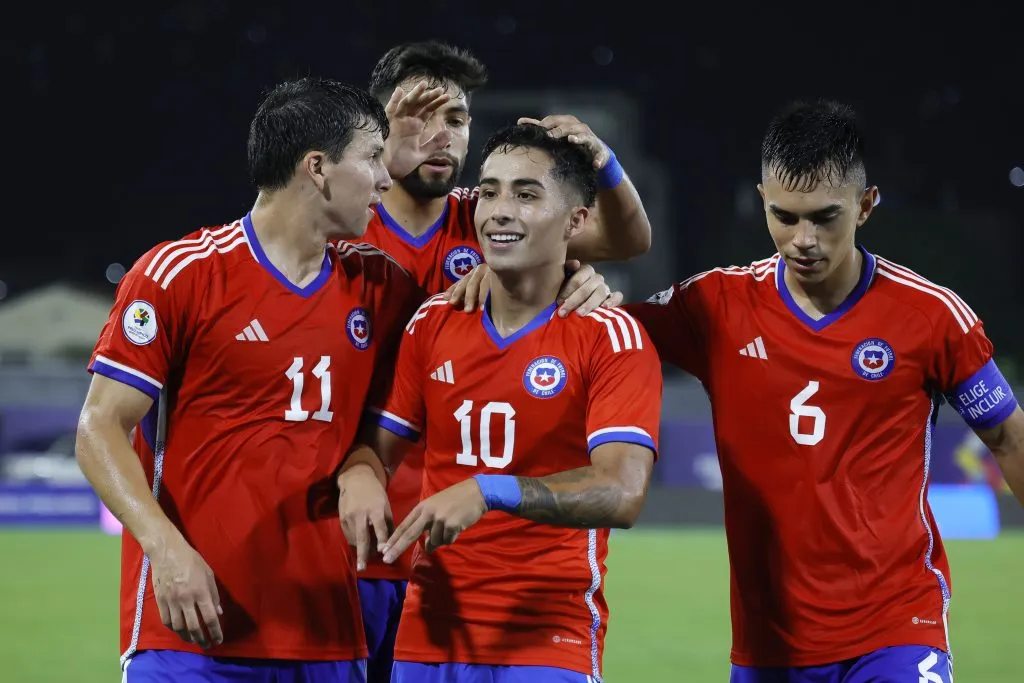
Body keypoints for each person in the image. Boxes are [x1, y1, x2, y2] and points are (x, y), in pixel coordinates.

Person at [449, 100, 1024, 682]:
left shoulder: (930, 316)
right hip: (766, 644)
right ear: (761, 197)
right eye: (784, 215)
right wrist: (548, 277)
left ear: (866, 205)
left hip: (898, 628)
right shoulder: (716, 305)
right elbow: (599, 331)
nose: (802, 239)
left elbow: (1007, 438)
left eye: (824, 218)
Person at [75, 77, 425, 683]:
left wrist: (577, 279)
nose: (387, 181)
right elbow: (99, 427)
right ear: (317, 167)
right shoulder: (181, 274)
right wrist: (166, 550)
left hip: (326, 635)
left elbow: (408, 397)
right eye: (372, 158)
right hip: (189, 633)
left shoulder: (382, 286)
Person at [349, 40, 649, 683]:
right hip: (363, 536)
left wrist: (603, 170)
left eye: (454, 120)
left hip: (472, 551)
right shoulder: (342, 227)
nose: (438, 136)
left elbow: (625, 238)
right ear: (374, 130)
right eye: (415, 117)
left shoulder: (483, 217)